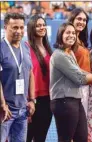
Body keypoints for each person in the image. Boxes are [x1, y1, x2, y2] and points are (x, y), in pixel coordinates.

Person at [50, 22, 92, 142]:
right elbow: (80, 78)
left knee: (82, 138)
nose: (71, 35)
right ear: (60, 35)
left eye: (73, 33)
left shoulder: (69, 52)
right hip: (64, 102)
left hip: (75, 101)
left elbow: (80, 71)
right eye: (68, 33)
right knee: (65, 139)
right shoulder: (59, 55)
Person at [0, 13, 36, 142]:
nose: (19, 31)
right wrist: (2, 104)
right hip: (5, 111)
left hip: (22, 110)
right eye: (15, 27)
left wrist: (32, 100)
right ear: (5, 27)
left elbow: (30, 73)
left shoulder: (25, 47)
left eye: (21, 27)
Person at [26, 15, 53, 142]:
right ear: (32, 28)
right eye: (38, 25)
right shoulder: (25, 48)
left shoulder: (49, 49)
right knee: (26, 137)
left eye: (43, 25)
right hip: (31, 101)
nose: (42, 27)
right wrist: (27, 101)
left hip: (47, 101)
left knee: (40, 138)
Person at [68, 8, 91, 116]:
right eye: (79, 19)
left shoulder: (81, 41)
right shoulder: (68, 40)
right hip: (74, 89)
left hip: (85, 87)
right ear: (72, 19)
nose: (82, 22)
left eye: (84, 20)